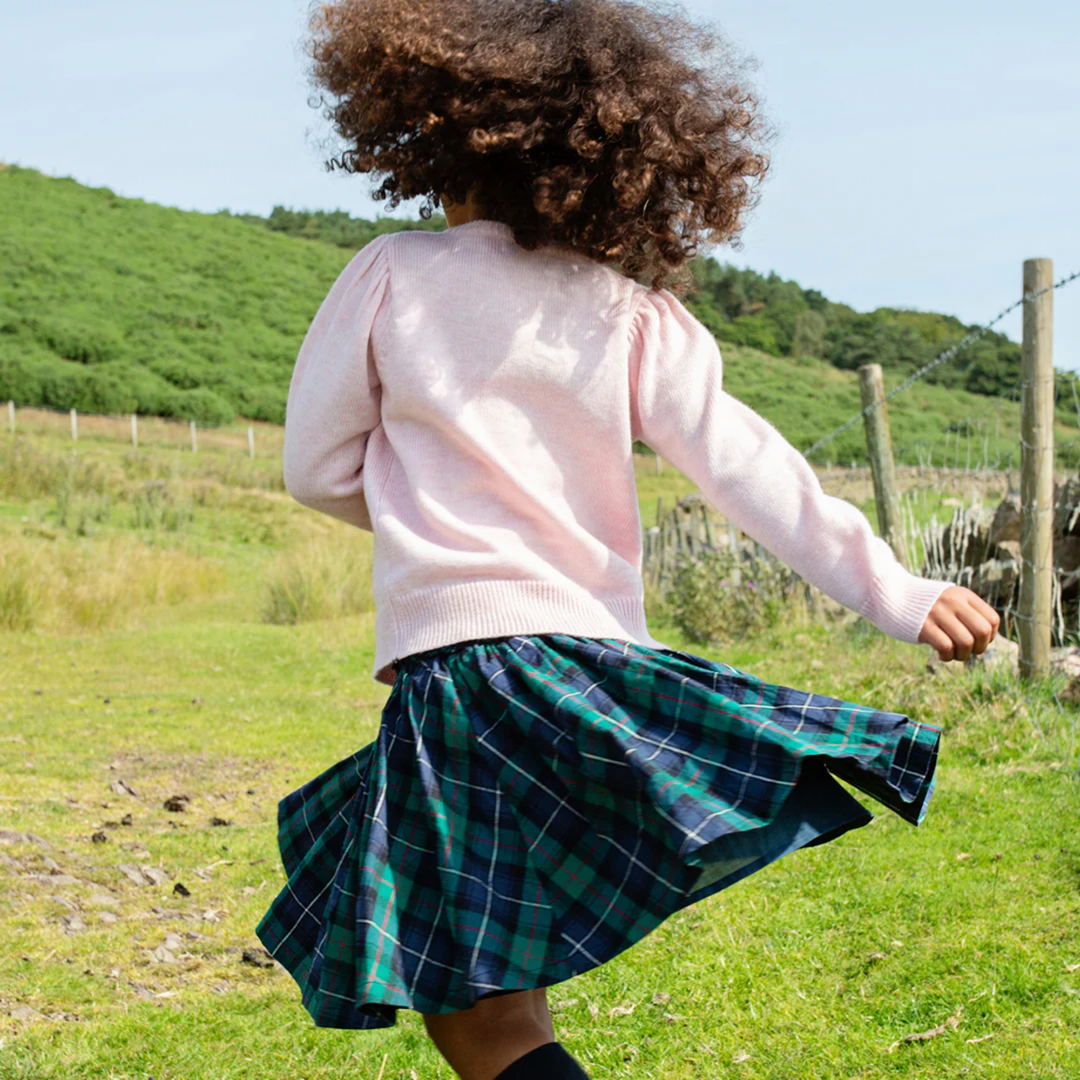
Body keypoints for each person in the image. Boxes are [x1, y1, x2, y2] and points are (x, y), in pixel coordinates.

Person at [256, 2, 1001, 1078]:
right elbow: (752, 471)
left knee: (479, 1004)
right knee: (496, 980)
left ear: (435, 133)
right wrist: (895, 589)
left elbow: (312, 468)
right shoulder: (630, 314)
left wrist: (431, 529)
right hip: (591, 674)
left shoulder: (390, 276)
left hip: (461, 682)